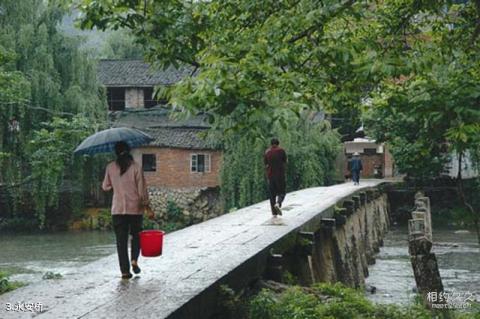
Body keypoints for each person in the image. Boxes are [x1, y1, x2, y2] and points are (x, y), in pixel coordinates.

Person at [102, 141, 153, 279]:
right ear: (129, 151)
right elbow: (142, 190)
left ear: (116, 153)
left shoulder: (110, 167)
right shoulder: (136, 167)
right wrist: (147, 207)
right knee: (136, 235)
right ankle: (134, 260)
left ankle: (125, 271)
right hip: (135, 208)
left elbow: (105, 187)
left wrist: (116, 185)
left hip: (118, 209)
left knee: (121, 241)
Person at [264, 138, 287, 217]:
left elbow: (266, 164)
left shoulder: (267, 152)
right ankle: (278, 203)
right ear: (278, 144)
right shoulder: (281, 151)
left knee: (272, 195)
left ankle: (274, 214)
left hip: (270, 176)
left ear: (271, 144)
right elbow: (285, 161)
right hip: (280, 176)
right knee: (282, 192)